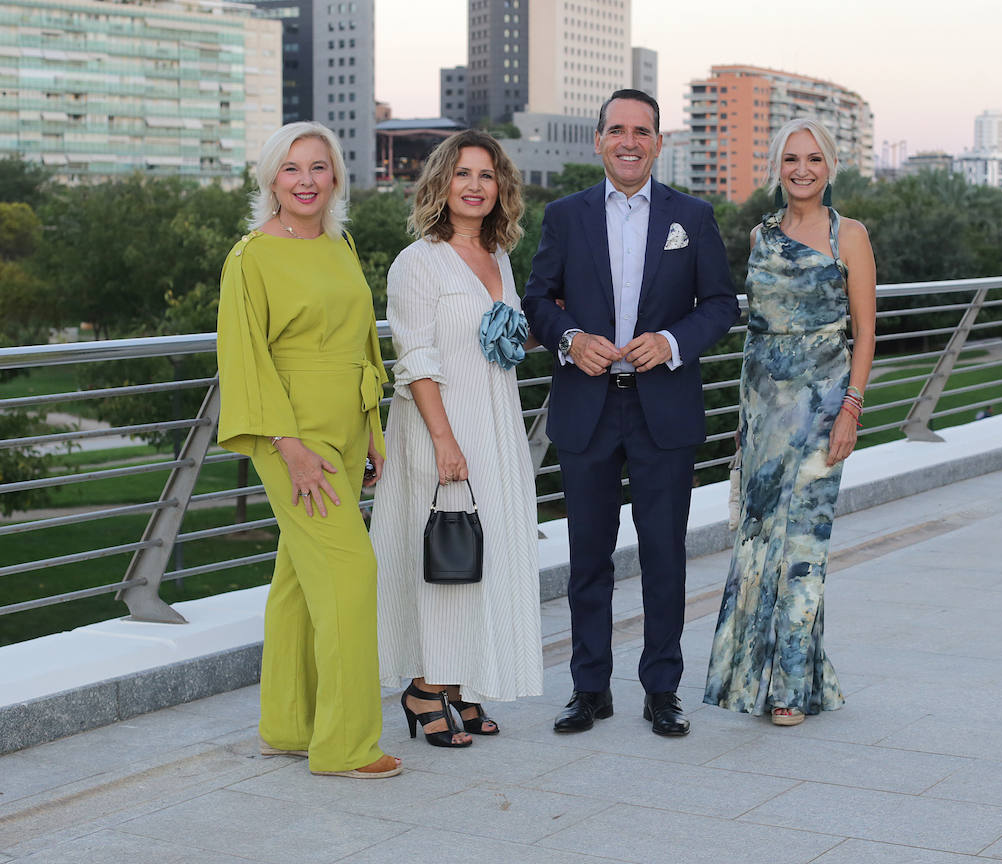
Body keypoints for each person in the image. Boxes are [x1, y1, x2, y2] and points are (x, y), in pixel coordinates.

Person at [523, 89, 739, 737]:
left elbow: (721, 304)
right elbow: (537, 298)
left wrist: (672, 343)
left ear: (658, 143)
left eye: (641, 131)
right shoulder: (565, 215)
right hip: (586, 410)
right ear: (598, 140)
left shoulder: (692, 217)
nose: (628, 141)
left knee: (665, 557)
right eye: (617, 130)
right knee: (587, 559)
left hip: (662, 412)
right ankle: (589, 690)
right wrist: (570, 340)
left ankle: (661, 691)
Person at [216, 121, 401, 778]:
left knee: (296, 581)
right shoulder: (250, 257)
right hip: (292, 433)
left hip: (349, 426)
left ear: (335, 179)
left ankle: (286, 726)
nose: (305, 180)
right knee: (352, 575)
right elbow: (244, 358)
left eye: (318, 168)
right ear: (272, 178)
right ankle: (346, 745)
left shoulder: (339, 244)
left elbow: (364, 343)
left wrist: (375, 432)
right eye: (292, 168)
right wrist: (288, 445)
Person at [371, 130, 543, 747]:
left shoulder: (498, 257)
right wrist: (444, 440)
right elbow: (415, 357)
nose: (475, 186)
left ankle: (460, 683)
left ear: (502, 189)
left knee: (482, 556)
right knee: (444, 560)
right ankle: (427, 686)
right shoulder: (418, 262)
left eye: (487, 175)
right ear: (441, 183)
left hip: (494, 423)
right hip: (440, 427)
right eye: (463, 174)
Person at [703, 118, 877, 726]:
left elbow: (865, 335)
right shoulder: (760, 236)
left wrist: (851, 410)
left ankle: (788, 687)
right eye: (790, 160)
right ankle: (767, 677)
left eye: (814, 160)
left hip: (824, 410)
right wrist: (745, 422)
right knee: (757, 546)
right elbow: (754, 336)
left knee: (803, 547)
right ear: (777, 168)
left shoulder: (849, 235)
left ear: (830, 168)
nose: (802, 170)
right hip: (764, 413)